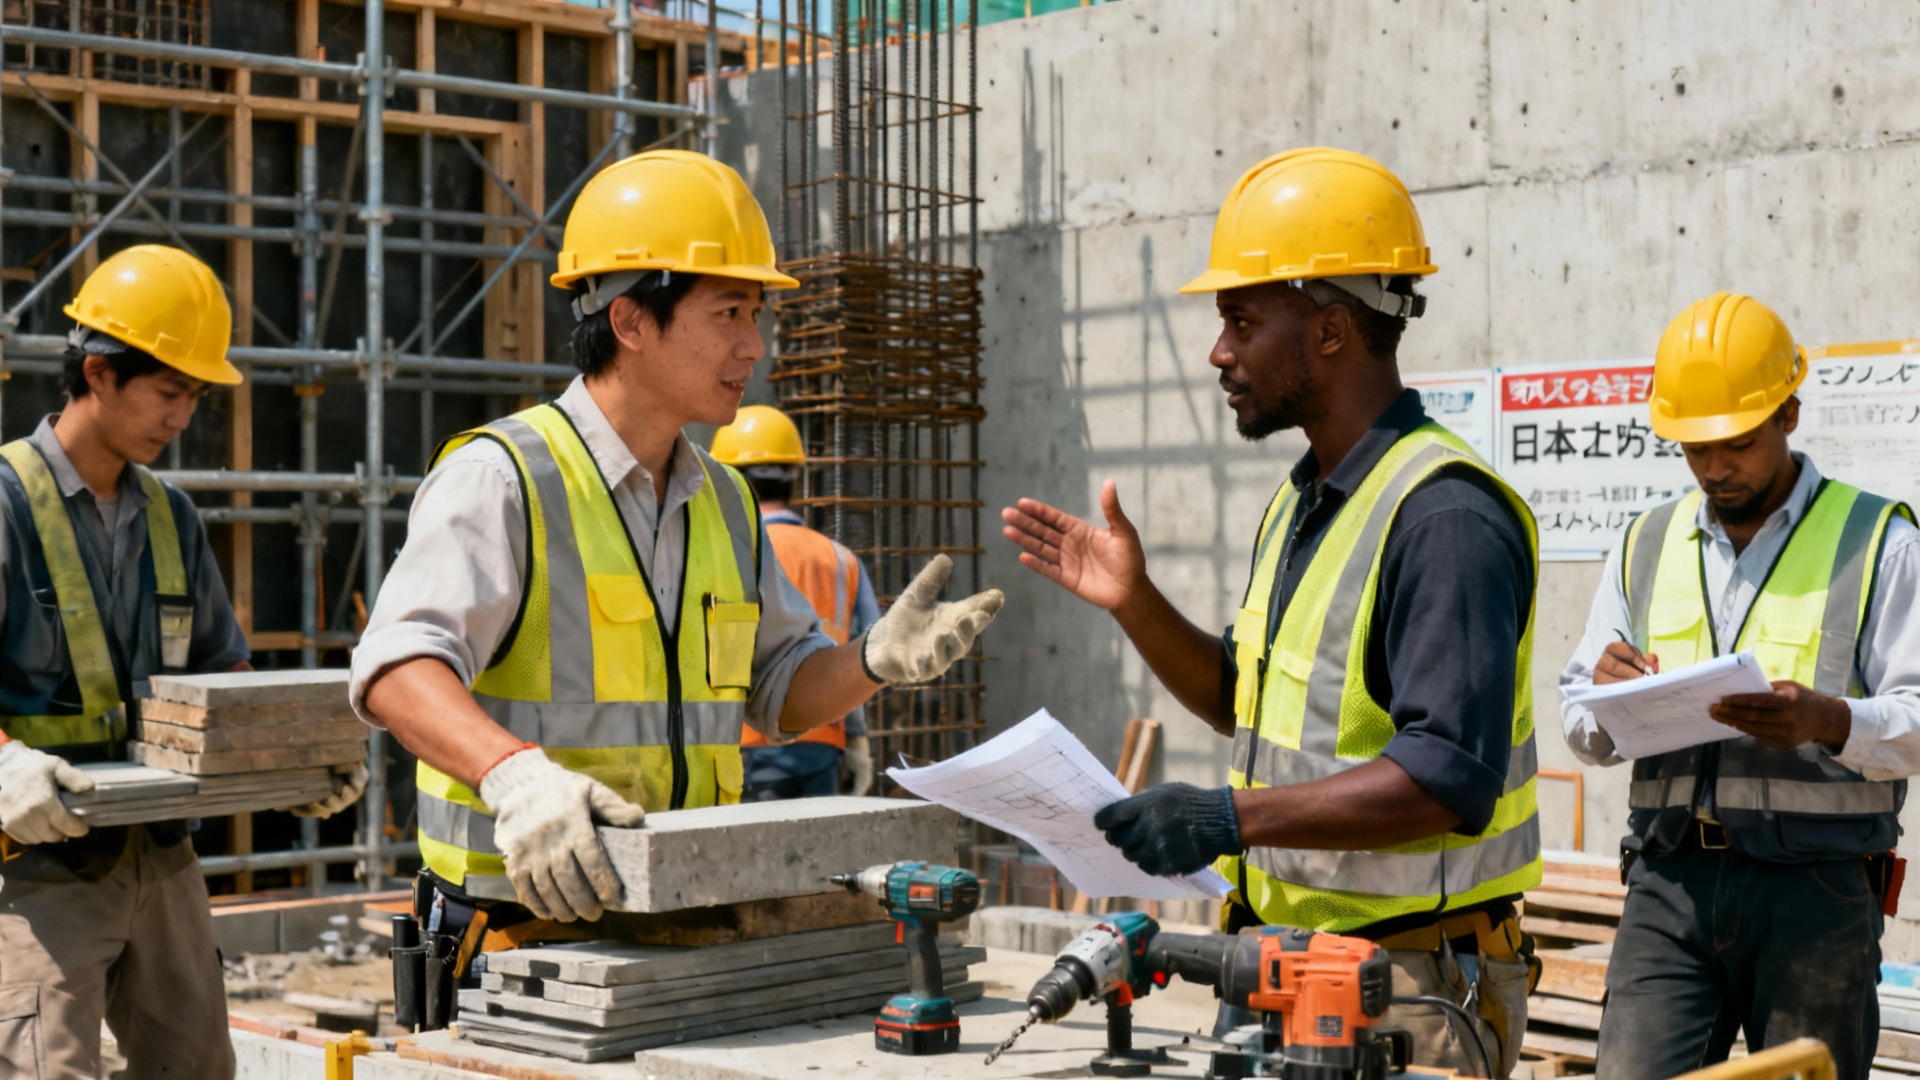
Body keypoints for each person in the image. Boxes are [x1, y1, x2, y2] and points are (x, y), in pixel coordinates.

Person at [350, 150, 1000, 948]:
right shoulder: (504, 478)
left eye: (756, 315)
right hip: (516, 941)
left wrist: (870, 659)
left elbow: (780, 691)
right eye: (730, 312)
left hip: (684, 923)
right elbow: (395, 667)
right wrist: (510, 772)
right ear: (629, 320)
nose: (754, 347)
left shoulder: (725, 502)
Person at [1001, 148, 1542, 1077]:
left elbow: (1450, 775)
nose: (1219, 351)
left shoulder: (1445, 516)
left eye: (1241, 321)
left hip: (1408, 989)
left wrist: (1226, 818)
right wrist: (1135, 603)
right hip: (1284, 968)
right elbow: (1241, 703)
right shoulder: (1306, 498)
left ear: (1330, 331)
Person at [0, 244, 363, 1078]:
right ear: (98, 372)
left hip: (160, 860)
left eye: (194, 397)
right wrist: (9, 767)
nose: (182, 416)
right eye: (170, 392)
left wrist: (295, 758)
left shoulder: (172, 517)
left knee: (196, 1068)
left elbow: (219, 675)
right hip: (34, 870)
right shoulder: (7, 505)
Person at [1560, 292, 1920, 1080]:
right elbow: (1577, 719)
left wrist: (1831, 720)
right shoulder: (1645, 542)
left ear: (1790, 413)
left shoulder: (1879, 543)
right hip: (1667, 883)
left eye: (1738, 443)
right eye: (1693, 449)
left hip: (1815, 895)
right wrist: (1603, 696)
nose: (1715, 468)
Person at [710, 406, 881, 800]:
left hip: (743, 744)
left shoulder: (726, 551)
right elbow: (868, 654)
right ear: (795, 477)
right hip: (822, 744)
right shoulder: (841, 558)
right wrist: (856, 738)